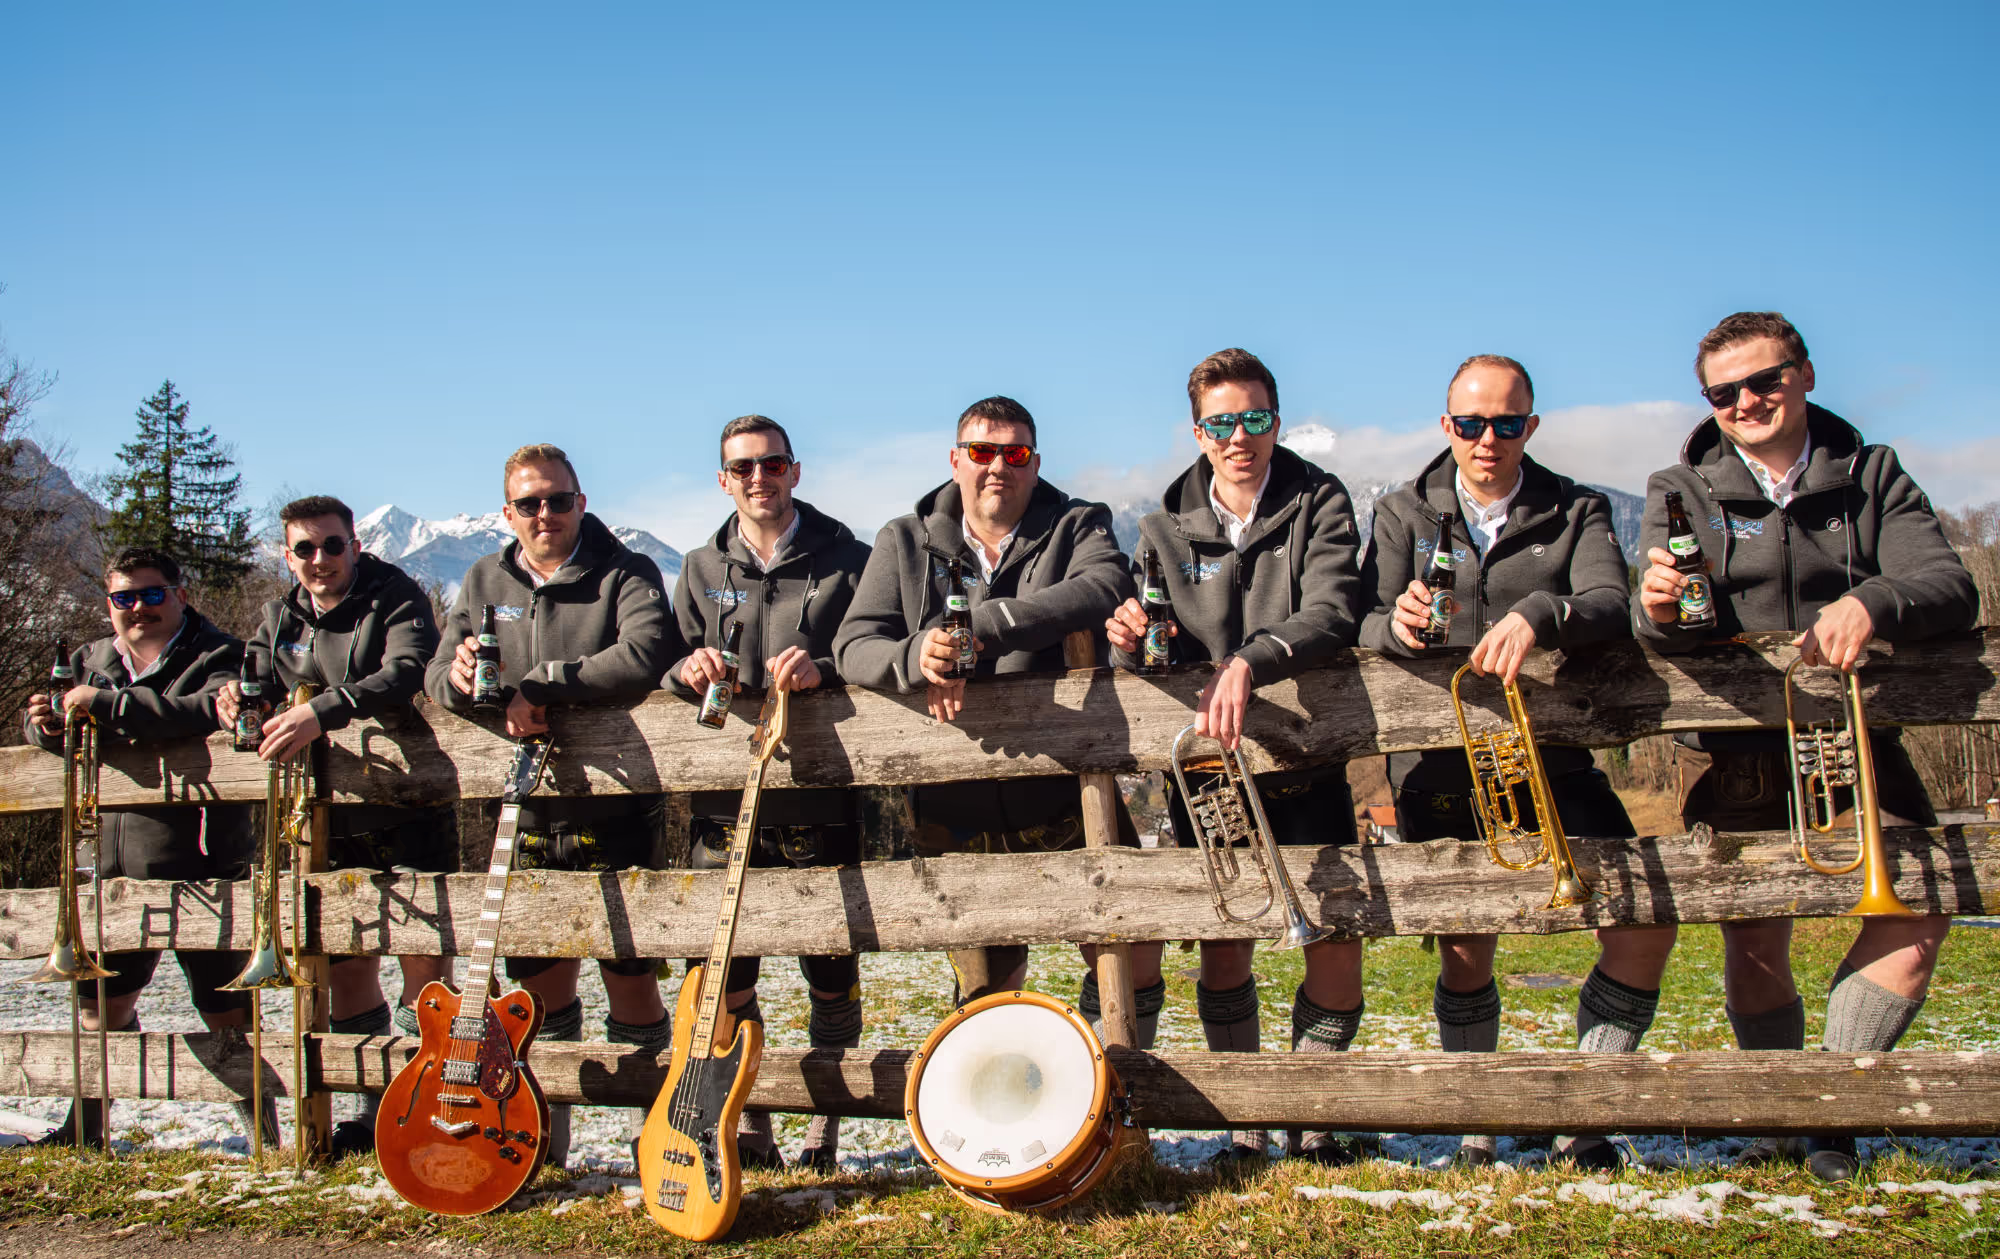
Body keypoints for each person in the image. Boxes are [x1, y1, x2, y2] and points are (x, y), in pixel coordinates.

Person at [1634, 311, 1977, 1182]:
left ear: (1806, 375)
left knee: (1919, 914)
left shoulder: (1871, 474)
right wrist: (1661, 612)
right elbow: (1662, 627)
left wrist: (1877, 603)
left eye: (1764, 380)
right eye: (1724, 392)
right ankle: (1789, 1121)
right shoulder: (1682, 487)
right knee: (1753, 941)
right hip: (1741, 744)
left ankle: (1830, 1107)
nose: (1747, 401)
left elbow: (1947, 583)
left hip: (1863, 733)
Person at [1359, 354, 1674, 1170]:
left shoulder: (1577, 508)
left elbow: (1613, 601)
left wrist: (1541, 611)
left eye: (1505, 423)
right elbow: (1354, 619)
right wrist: (1394, 624)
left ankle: (1585, 1110)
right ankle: (1478, 1122)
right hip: (1442, 766)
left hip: (1558, 761)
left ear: (1531, 425)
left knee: (1645, 921)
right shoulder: (1398, 512)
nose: (1487, 439)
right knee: (1466, 949)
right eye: (1469, 424)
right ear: (1446, 426)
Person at [835, 396, 1168, 1044]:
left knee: (1123, 950)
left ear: (1035, 462)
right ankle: (1010, 1126)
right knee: (985, 984)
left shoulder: (1077, 522)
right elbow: (854, 644)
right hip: (957, 801)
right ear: (955, 460)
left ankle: (1117, 1101)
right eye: (982, 452)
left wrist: (986, 624)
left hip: (1072, 789)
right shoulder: (903, 538)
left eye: (1014, 454)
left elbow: (1104, 584)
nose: (997, 466)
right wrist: (915, 654)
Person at [1104, 348, 1366, 1166]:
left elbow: (1334, 609)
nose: (1239, 436)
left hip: (1307, 754)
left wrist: (1254, 657)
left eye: (1254, 418)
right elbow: (1160, 646)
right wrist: (1133, 643)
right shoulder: (1161, 525)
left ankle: (1314, 1118)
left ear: (1276, 421)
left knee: (1334, 940)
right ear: (1198, 431)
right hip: (1212, 770)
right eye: (1221, 422)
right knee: (1226, 944)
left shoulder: (1319, 500)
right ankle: (1249, 1124)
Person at [424, 443, 679, 1168]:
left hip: (619, 804)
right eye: (529, 503)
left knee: (630, 976)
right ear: (507, 512)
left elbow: (645, 651)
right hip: (524, 809)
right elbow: (441, 669)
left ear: (581, 501)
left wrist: (544, 682)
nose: (545, 514)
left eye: (558, 500)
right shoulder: (481, 577)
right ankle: (544, 1138)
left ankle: (649, 1137)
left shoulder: (624, 571)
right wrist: (461, 677)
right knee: (538, 991)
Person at [666, 414, 873, 1170]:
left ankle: (828, 1123)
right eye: (743, 467)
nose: (760, 477)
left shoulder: (849, 558)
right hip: (724, 796)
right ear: (724, 479)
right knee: (725, 973)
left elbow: (877, 648)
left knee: (832, 973)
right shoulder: (696, 567)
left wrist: (829, 667)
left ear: (795, 470)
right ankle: (746, 1122)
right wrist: (684, 672)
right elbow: (662, 657)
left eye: (773, 463)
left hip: (821, 791)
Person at [213, 495, 448, 1157]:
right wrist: (237, 695)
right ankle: (373, 1113)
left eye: (333, 545)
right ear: (287, 556)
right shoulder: (277, 614)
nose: (320, 560)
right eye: (304, 550)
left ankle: (424, 1105)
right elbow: (256, 678)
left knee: (424, 969)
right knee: (347, 970)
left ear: (356, 544)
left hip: (405, 803)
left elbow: (408, 670)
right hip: (322, 817)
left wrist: (323, 709)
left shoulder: (393, 594)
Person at [21, 547, 264, 1148]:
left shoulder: (222, 654)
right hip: (112, 864)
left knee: (224, 1011)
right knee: (99, 1005)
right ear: (108, 605)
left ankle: (266, 1126)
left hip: (203, 864)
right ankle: (88, 1127)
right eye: (124, 598)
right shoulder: (88, 660)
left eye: (153, 595)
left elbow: (200, 711)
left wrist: (102, 706)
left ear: (180, 596)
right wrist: (44, 724)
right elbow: (59, 729)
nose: (139, 609)